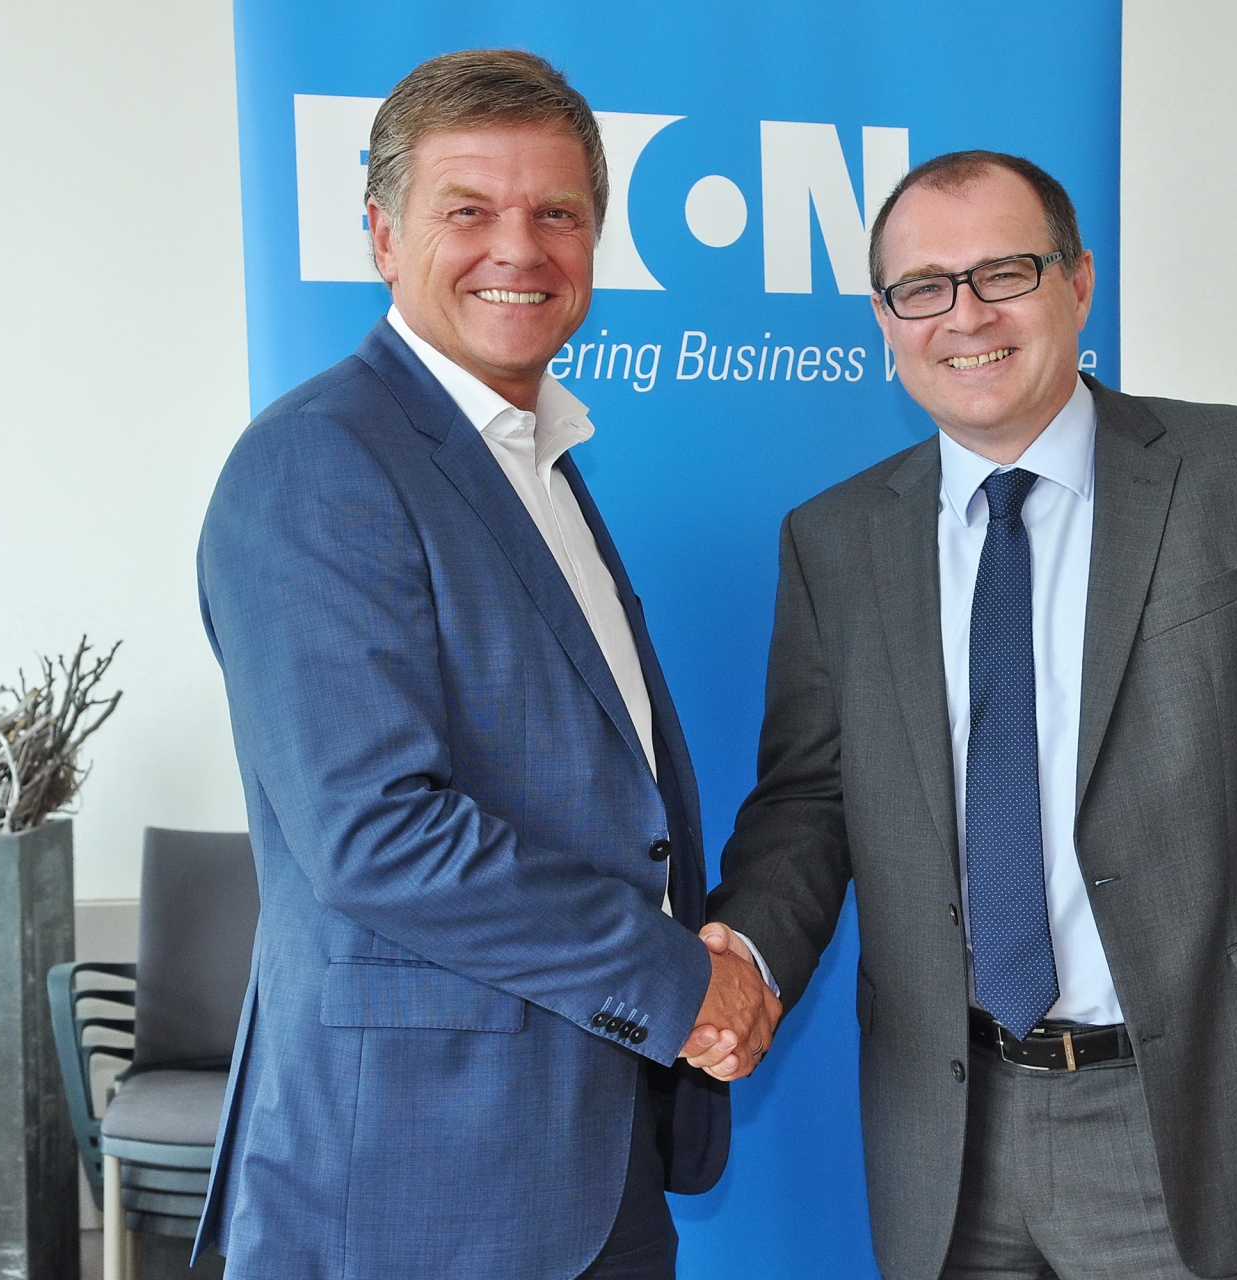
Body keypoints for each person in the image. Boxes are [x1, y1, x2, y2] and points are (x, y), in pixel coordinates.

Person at [704, 152, 1237, 1280]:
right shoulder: (835, 540)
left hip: (1196, 1115)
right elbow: (812, 802)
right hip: (949, 1129)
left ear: (1077, 283)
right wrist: (746, 948)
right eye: (924, 287)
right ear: (885, 319)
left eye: (1004, 273)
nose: (966, 315)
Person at [194, 50, 778, 1280]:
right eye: (468, 209)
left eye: (557, 213)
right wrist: (674, 979)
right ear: (382, 235)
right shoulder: (321, 460)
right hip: (419, 1181)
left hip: (593, 1148)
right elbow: (377, 830)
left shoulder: (537, 459)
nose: (520, 248)